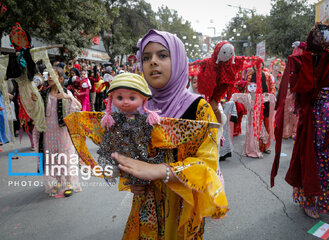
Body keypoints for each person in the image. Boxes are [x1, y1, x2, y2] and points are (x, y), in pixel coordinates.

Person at [111, 29, 228, 239]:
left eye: (162, 55)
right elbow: (132, 156)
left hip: (183, 209)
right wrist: (131, 178)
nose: (153, 62)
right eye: (146, 58)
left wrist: (162, 171)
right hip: (146, 209)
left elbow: (207, 166)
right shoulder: (140, 108)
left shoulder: (198, 109)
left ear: (179, 60)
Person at [271, 23, 329, 219]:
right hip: (314, 123)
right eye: (325, 44)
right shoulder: (308, 62)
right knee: (312, 160)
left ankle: (328, 199)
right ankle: (309, 200)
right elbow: (296, 89)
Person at [98, 73, 163, 185]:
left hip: (142, 156)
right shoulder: (113, 119)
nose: (125, 101)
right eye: (120, 97)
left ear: (144, 99)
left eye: (132, 97)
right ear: (112, 97)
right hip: (121, 153)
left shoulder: (145, 120)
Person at [32, 67, 82, 197]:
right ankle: (58, 183)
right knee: (51, 157)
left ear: (60, 78)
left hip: (62, 131)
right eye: (48, 75)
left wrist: (68, 98)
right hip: (48, 131)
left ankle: (70, 183)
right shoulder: (43, 93)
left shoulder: (65, 92)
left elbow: (78, 108)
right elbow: (35, 110)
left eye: (52, 75)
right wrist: (33, 100)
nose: (49, 77)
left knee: (64, 157)